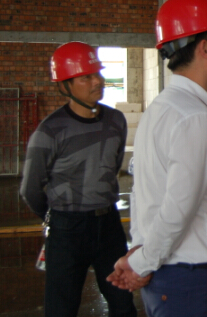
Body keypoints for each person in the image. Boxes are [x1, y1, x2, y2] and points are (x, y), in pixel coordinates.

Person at [106, 0, 207, 317]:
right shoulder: (193, 117)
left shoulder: (162, 108)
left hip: (172, 278)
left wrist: (140, 254)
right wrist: (141, 262)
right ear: (205, 49)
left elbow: (143, 194)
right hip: (189, 282)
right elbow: (179, 208)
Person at [20, 41, 137, 317]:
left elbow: (112, 167)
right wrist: (58, 217)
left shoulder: (116, 121)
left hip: (109, 225)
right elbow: (31, 189)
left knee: (123, 304)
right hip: (66, 230)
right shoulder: (50, 131)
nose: (98, 81)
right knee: (61, 308)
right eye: (86, 77)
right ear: (66, 85)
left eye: (98, 73)